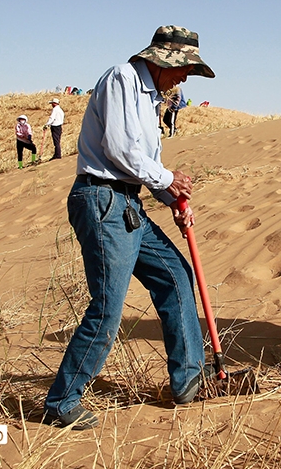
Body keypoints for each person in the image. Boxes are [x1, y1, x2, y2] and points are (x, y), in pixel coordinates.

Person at [41, 25, 216, 430]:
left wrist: (172, 199)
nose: (185, 77)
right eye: (183, 67)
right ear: (159, 60)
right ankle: (61, 400)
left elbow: (141, 164)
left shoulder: (151, 97)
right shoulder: (122, 77)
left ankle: (189, 377)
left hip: (127, 204)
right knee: (108, 307)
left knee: (174, 275)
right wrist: (167, 179)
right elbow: (120, 150)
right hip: (102, 201)